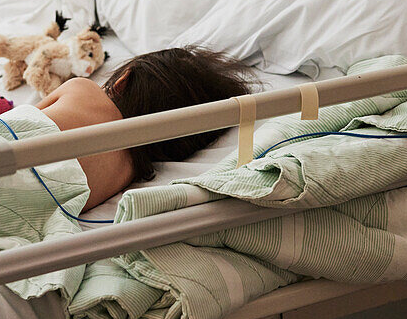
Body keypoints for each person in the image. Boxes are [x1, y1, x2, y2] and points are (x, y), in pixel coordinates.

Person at [36, 46, 258, 212]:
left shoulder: (82, 88)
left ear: (122, 81)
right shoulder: (127, 173)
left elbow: (19, 119)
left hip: (4, 155)